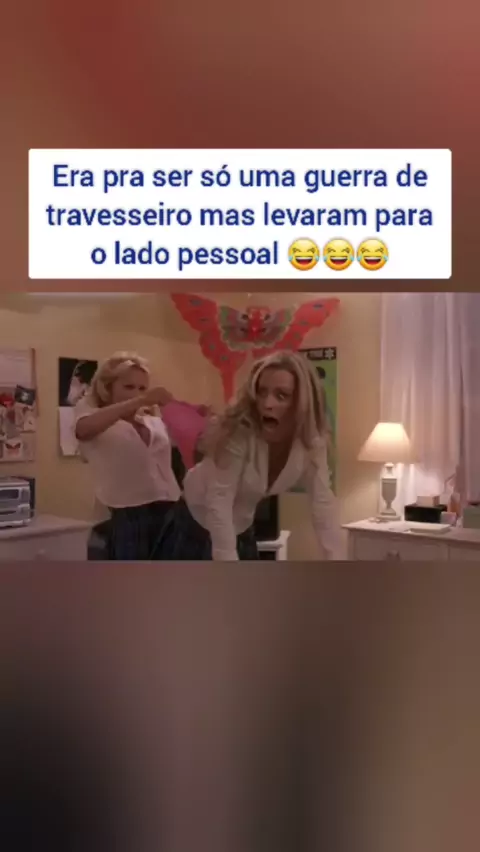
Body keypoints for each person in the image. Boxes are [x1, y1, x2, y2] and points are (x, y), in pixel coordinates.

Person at [152, 351, 343, 561]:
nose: (267, 403)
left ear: (303, 402)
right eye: (262, 392)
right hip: (194, 523)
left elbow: (322, 503)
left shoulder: (311, 441)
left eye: (282, 395)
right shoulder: (239, 432)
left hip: (241, 525)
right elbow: (219, 501)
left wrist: (335, 559)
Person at [74, 351, 180, 560]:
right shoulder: (92, 414)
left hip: (168, 508)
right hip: (123, 514)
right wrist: (141, 400)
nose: (137, 394)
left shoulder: (151, 420)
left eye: (142, 388)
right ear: (108, 388)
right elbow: (83, 430)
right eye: (128, 387)